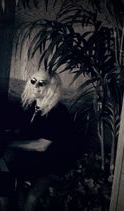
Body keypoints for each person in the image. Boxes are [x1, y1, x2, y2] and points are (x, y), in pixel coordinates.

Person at [5, 70, 80, 211]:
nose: (35, 86)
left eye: (41, 83)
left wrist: (10, 144)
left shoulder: (58, 112)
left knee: (31, 200)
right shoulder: (30, 106)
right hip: (34, 162)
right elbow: (20, 130)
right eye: (33, 81)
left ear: (52, 88)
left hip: (53, 166)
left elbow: (41, 145)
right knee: (8, 187)